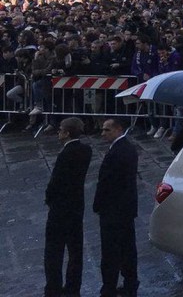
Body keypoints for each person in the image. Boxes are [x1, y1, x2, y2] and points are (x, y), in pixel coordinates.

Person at [44, 116, 93, 297]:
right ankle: (73, 288)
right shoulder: (86, 150)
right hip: (76, 206)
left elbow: (56, 182)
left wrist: (49, 198)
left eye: (60, 130)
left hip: (60, 209)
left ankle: (53, 288)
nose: (58, 133)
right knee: (75, 250)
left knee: (53, 251)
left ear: (66, 133)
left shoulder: (65, 155)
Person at [93, 118, 139, 297]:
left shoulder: (117, 152)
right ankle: (130, 282)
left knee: (111, 251)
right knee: (128, 248)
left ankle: (109, 287)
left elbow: (106, 182)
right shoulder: (127, 148)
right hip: (126, 208)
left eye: (107, 130)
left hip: (113, 210)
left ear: (118, 129)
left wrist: (98, 204)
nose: (103, 133)